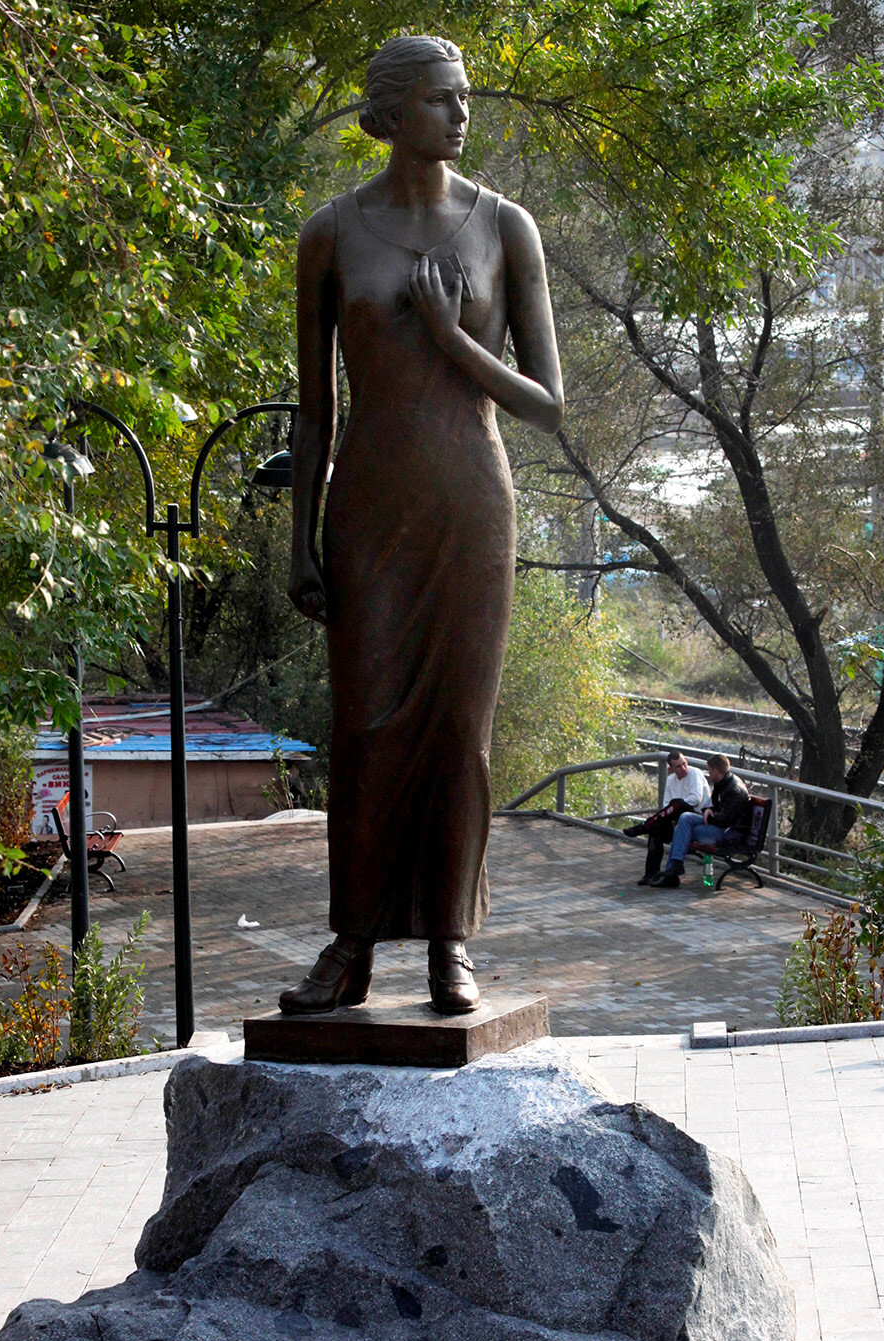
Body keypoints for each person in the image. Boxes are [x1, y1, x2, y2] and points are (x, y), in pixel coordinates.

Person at [280, 35, 563, 1016]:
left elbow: (547, 404)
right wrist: (299, 542)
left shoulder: (504, 227)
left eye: (465, 99)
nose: (461, 114)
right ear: (393, 113)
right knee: (362, 727)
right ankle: (351, 944)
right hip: (368, 507)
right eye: (443, 99)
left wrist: (450, 341)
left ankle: (450, 944)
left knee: (459, 730)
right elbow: (313, 413)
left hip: (470, 505)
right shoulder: (331, 233)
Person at [650, 753, 752, 888]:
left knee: (682, 830)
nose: (708, 773)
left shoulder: (733, 790)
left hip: (728, 833)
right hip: (717, 825)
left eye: (709, 770)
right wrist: (708, 809)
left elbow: (725, 820)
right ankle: (675, 867)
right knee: (685, 817)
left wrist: (710, 815)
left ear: (715, 770)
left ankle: (673, 871)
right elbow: (712, 805)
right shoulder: (722, 782)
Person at [623, 751, 711, 885]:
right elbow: (666, 806)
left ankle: (644, 826)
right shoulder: (671, 780)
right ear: (671, 769)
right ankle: (651, 874)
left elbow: (696, 799)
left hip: (695, 819)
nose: (683, 768)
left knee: (678, 804)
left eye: (684, 764)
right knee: (656, 828)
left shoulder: (695, 773)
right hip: (676, 821)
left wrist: (675, 807)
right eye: (678, 767)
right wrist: (673, 815)